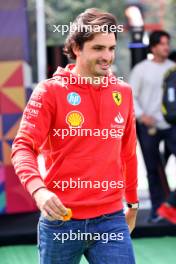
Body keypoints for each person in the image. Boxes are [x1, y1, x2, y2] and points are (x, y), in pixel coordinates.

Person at [11, 8, 139, 264]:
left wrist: (133, 203)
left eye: (111, 49)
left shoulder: (122, 92)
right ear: (77, 48)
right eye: (98, 48)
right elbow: (23, 146)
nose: (107, 57)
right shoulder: (49, 92)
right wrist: (39, 191)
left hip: (111, 219)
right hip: (61, 220)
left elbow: (128, 151)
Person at [129, 30, 175, 223]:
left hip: (172, 124)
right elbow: (130, 95)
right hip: (148, 126)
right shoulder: (141, 69)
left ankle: (170, 206)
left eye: (168, 43)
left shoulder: (173, 68)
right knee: (153, 169)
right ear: (154, 47)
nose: (166, 47)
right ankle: (158, 210)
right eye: (162, 44)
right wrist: (142, 116)